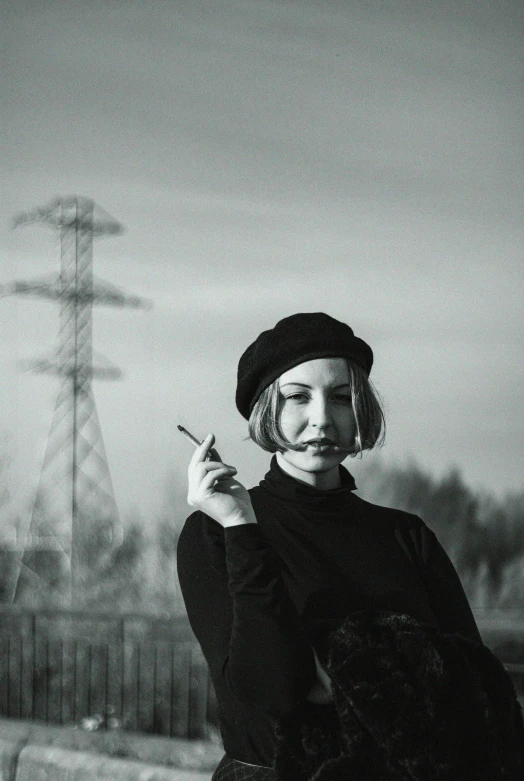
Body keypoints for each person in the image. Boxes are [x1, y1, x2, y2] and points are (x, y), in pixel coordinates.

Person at [177, 312, 523, 781]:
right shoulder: (214, 533)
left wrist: (333, 670)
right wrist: (241, 526)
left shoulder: (407, 535)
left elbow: (473, 691)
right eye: (297, 397)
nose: (322, 419)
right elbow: (275, 694)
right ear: (265, 410)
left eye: (341, 398)